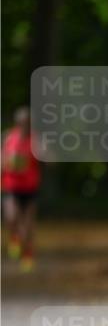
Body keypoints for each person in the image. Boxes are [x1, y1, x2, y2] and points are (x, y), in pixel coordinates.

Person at [1, 106, 41, 272]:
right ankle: (14, 238)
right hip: (11, 186)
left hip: (30, 188)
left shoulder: (36, 140)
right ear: (17, 123)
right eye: (23, 123)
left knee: (28, 225)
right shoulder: (8, 138)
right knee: (11, 218)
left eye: (28, 123)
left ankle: (28, 255)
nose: (25, 125)